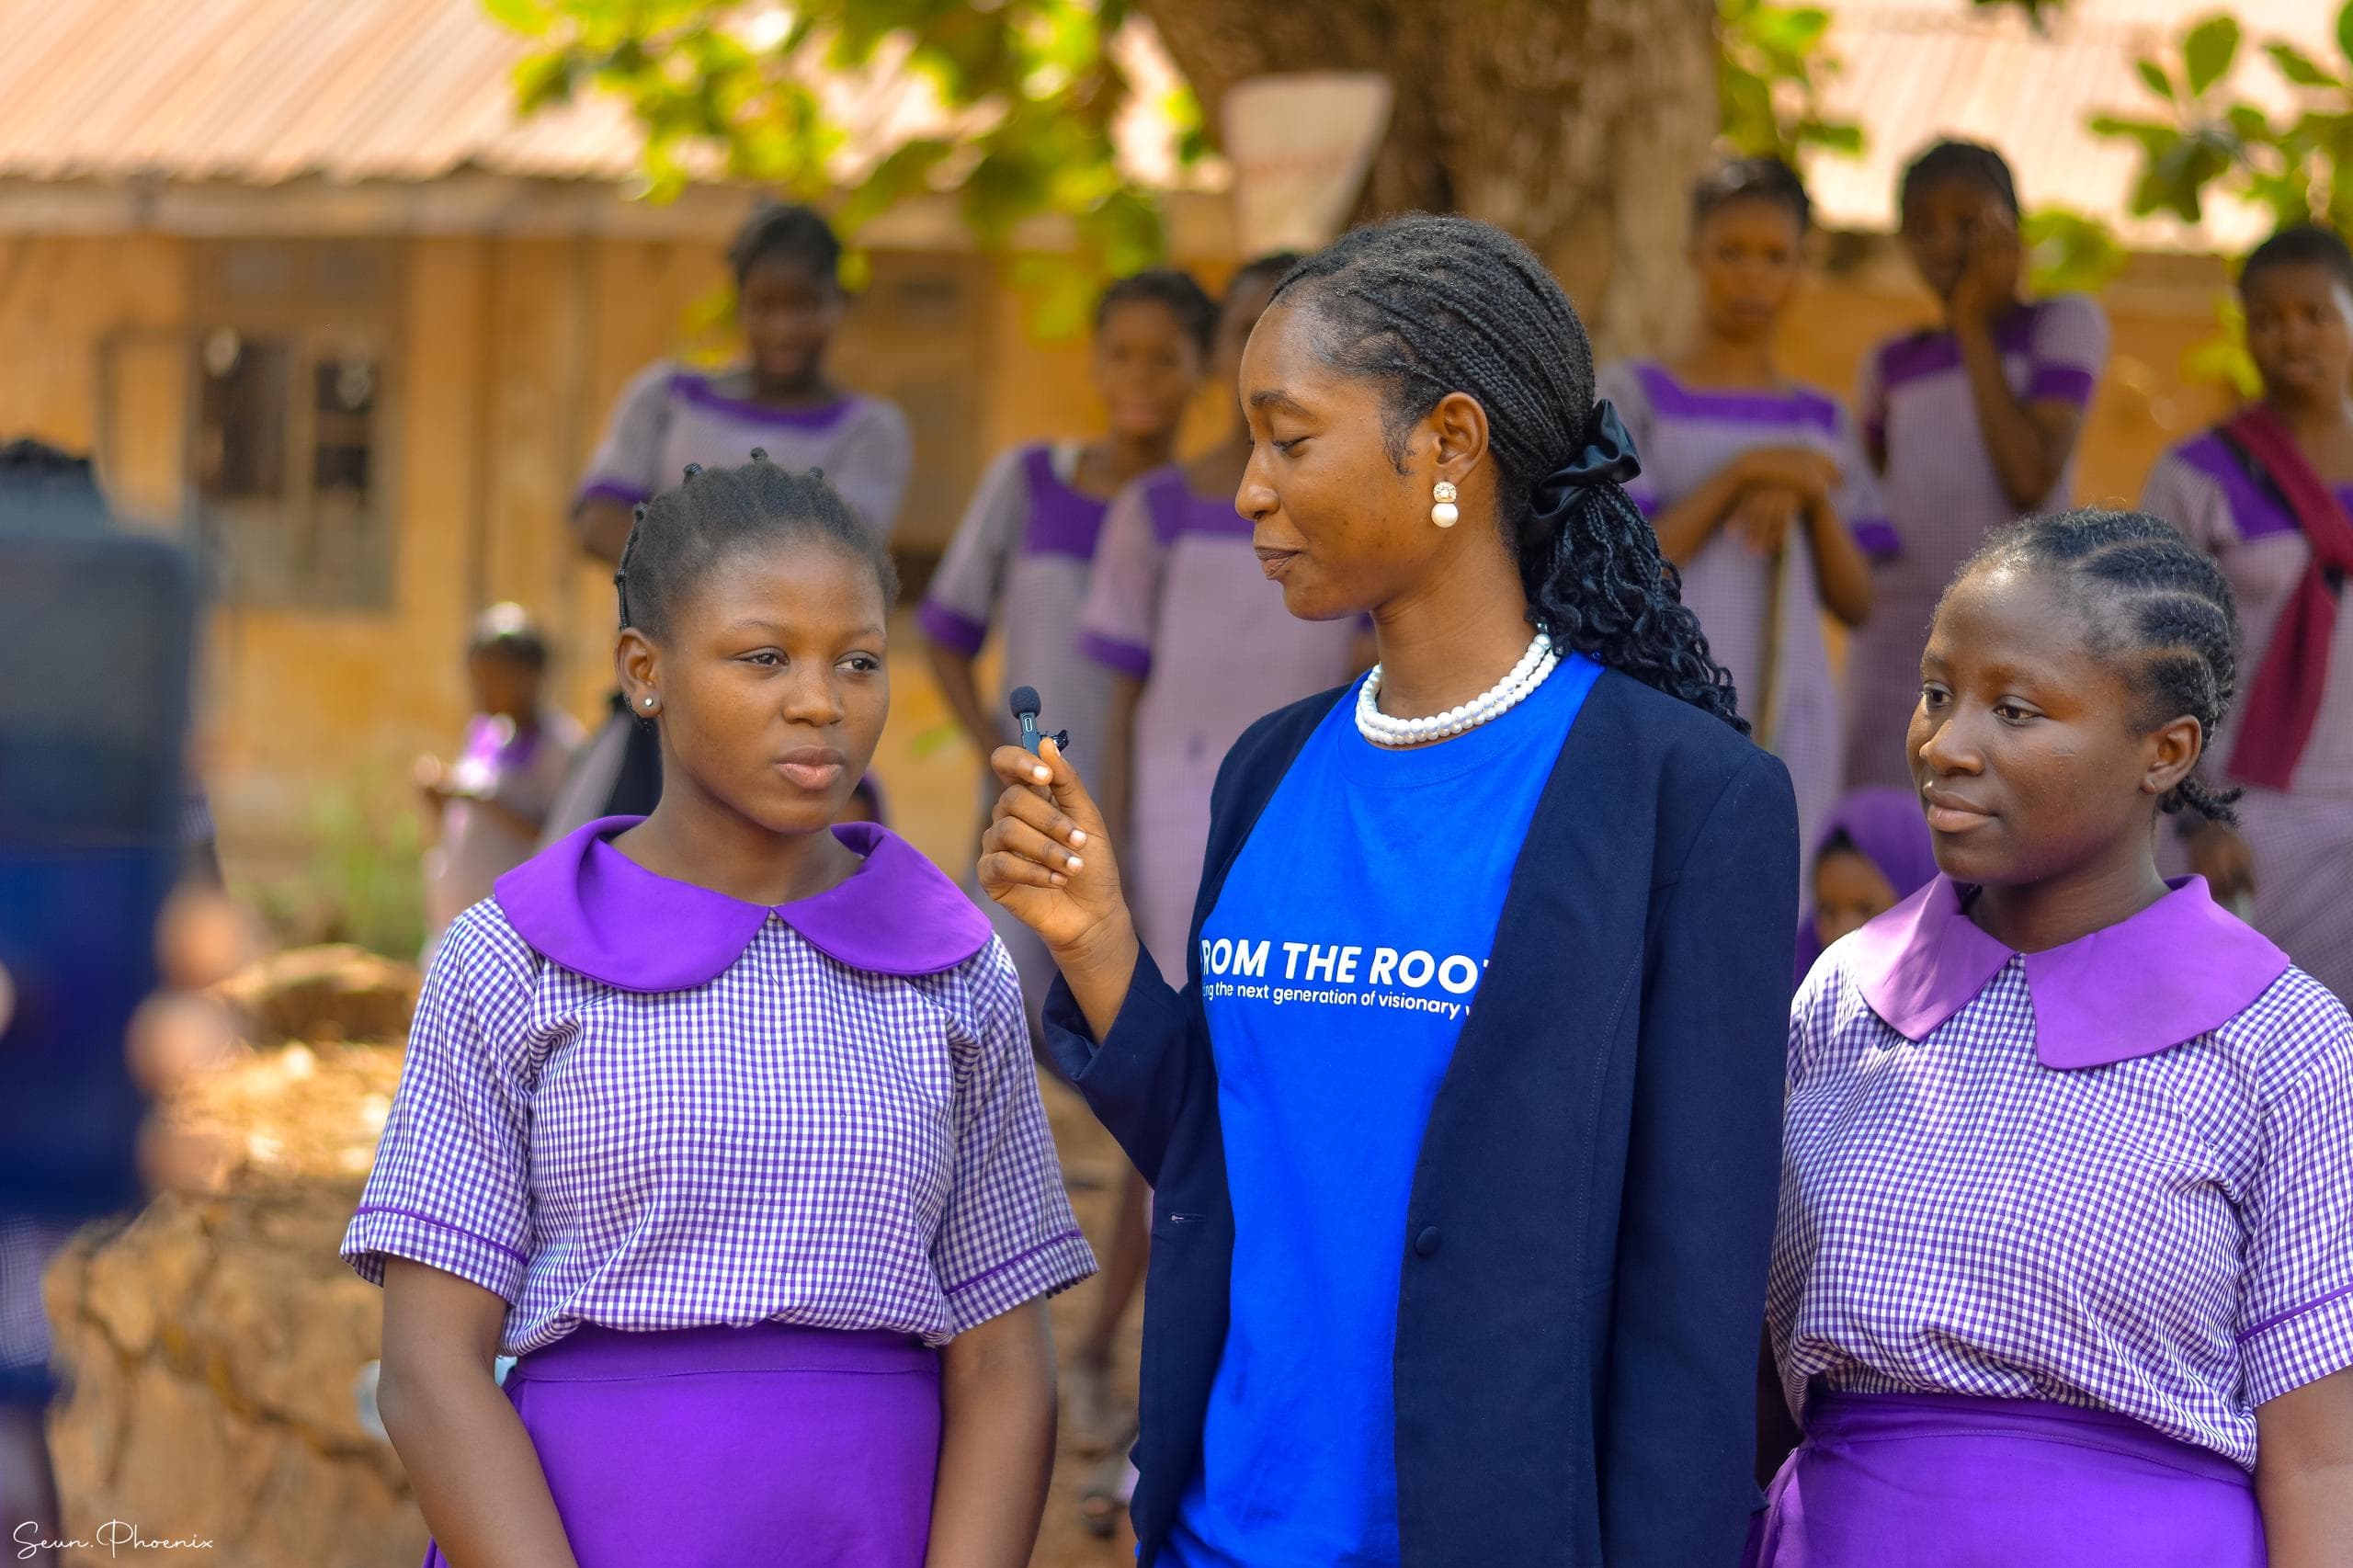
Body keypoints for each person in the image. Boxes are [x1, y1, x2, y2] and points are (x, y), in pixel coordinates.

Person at [980, 215, 1799, 1568]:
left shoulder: (1685, 799)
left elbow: (1692, 1301)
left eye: (1288, 439)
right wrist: (1104, 947)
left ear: (1450, 444)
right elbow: (1237, 1150)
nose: (1245, 488)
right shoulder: (1269, 771)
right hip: (1215, 1527)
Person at [342, 456, 1094, 1568]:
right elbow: (430, 1366)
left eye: (859, 661)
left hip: (873, 1526)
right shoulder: (513, 957)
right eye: (762, 656)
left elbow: (1003, 1366)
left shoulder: (950, 966)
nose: (820, 701)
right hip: (578, 1529)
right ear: (644, 671)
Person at [1761, 509, 2353, 1566]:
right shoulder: (1844, 994)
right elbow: (1762, 1389)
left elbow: (2321, 1460)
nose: (1945, 743)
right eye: (1937, 692)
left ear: (2163, 752)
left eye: (2015, 708)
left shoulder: (2282, 1044)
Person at [1061, 253, 1372, 1472]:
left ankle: (1218, 1379)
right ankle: (1119, 1360)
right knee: (1171, 1097)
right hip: (1171, 835)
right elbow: (1127, 705)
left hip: (1295, 833)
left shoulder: (1352, 523)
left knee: (1264, 1100)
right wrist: (1118, 860)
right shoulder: (1158, 513)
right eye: (1249, 330)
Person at [547, 203, 914, 841]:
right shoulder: (667, 398)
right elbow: (595, 519)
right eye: (763, 305)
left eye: (805, 305)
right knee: (597, 891)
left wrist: (681, 559)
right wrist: (736, 573)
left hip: (784, 719)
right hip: (653, 716)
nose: (783, 326)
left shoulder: (868, 432)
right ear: (738, 304)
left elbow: (837, 556)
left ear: (838, 303)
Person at [918, 267, 1216, 1024]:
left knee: (1144, 1012)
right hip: (1039, 800)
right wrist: (999, 754)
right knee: (999, 1002)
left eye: (1162, 357)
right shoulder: (1029, 483)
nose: (1137, 377)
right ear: (1094, 362)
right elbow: (947, 632)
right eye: (1119, 354)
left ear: (1204, 367)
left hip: (1164, 809)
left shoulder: (1211, 512)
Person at [1601, 158, 1883, 857]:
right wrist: (1745, 473)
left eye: (1775, 257)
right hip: (1665, 697)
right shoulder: (1634, 396)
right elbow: (1632, 568)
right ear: (1695, 255)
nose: (1753, 277)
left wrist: (1809, 493)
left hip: (1793, 706)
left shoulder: (1822, 421)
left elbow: (1857, 601)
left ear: (1801, 266)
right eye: (1732, 253)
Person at [1843, 141, 2109, 793]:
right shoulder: (1889, 364)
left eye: (1968, 222)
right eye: (1923, 228)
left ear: (2012, 225)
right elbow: (1871, 502)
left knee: (1999, 818)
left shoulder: (2063, 323)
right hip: (1894, 648)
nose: (1944, 244)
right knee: (1886, 831)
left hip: (2018, 633)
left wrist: (1972, 326)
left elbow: (2028, 476)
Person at [2141, 224, 2353, 1004]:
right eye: (2267, 317)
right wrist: (2197, 813)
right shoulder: (2198, 476)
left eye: (2315, 313)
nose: (2290, 334)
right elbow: (2149, 657)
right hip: (2242, 823)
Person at [414, 603, 582, 962]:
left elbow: (562, 840)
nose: (479, 689)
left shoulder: (559, 747)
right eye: (476, 677)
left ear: (528, 677)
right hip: (455, 931)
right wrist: (441, 800)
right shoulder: (485, 736)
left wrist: (482, 800)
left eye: (491, 678)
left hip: (514, 945)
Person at [1792, 786, 1938, 983]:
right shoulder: (1796, 992)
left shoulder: (1958, 996)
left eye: (1866, 910)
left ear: (1918, 900)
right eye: (1828, 911)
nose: (1843, 934)